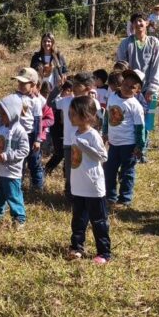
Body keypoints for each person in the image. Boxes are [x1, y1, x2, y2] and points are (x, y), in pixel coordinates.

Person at [65, 95, 111, 265]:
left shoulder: (93, 135)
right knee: (78, 219)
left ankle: (104, 252)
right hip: (78, 185)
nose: (70, 117)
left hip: (93, 187)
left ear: (86, 116)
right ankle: (77, 247)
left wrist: (86, 147)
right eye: (70, 113)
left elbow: (103, 156)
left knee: (98, 220)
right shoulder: (73, 132)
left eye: (73, 114)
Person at [116, 12, 159, 162]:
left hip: (147, 89)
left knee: (145, 121)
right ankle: (131, 151)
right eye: (135, 22)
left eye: (141, 21)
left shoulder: (154, 43)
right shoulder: (126, 43)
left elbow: (156, 67)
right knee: (130, 120)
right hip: (130, 88)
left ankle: (142, 151)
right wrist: (125, 87)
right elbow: (121, 66)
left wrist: (152, 88)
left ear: (147, 23)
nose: (138, 24)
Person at [103, 70, 146, 206]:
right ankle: (110, 196)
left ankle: (125, 198)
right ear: (121, 84)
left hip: (129, 145)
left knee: (127, 172)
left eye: (132, 87)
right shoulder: (112, 98)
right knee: (109, 170)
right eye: (125, 84)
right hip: (114, 143)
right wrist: (105, 132)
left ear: (137, 91)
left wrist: (139, 146)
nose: (127, 88)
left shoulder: (135, 106)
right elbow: (107, 117)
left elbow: (140, 128)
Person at [54, 73, 99, 198]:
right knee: (70, 170)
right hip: (69, 142)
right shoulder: (67, 100)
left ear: (88, 87)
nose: (73, 86)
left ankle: (85, 193)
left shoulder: (93, 102)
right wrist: (59, 88)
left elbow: (98, 121)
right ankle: (70, 194)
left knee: (84, 169)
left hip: (87, 142)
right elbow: (51, 103)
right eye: (73, 83)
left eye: (77, 85)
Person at [0, 94, 30, 227]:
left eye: (4, 114)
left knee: (13, 195)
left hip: (12, 172)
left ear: (13, 113)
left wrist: (7, 156)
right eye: (0, 114)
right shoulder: (0, 129)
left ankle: (19, 218)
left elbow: (24, 150)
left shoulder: (20, 131)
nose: (2, 117)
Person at [12, 68, 44, 192]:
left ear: (33, 85)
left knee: (34, 162)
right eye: (19, 82)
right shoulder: (14, 98)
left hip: (30, 136)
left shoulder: (35, 101)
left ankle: (37, 188)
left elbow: (38, 121)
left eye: (23, 83)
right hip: (16, 135)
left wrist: (37, 139)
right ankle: (17, 187)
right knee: (19, 162)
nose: (20, 85)